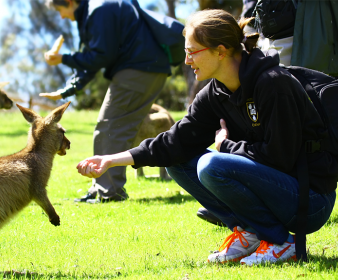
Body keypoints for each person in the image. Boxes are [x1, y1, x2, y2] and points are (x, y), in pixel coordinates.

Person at [76, 9, 338, 265]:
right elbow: (174, 142)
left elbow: (280, 157)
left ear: (220, 51)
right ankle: (249, 232)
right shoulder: (215, 93)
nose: (187, 61)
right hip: (276, 189)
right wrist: (110, 160)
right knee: (178, 160)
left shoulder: (272, 83)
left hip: (308, 199)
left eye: (192, 53)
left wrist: (226, 145)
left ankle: (280, 242)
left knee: (212, 165)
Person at [42, 0, 171, 203]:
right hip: (148, 68)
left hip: (138, 68)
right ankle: (102, 187)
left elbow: (100, 56)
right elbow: (92, 61)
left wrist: (63, 59)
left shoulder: (98, 10)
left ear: (69, 2)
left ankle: (110, 192)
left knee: (111, 128)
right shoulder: (94, 12)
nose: (62, 16)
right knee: (110, 127)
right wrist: (67, 89)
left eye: (60, 10)